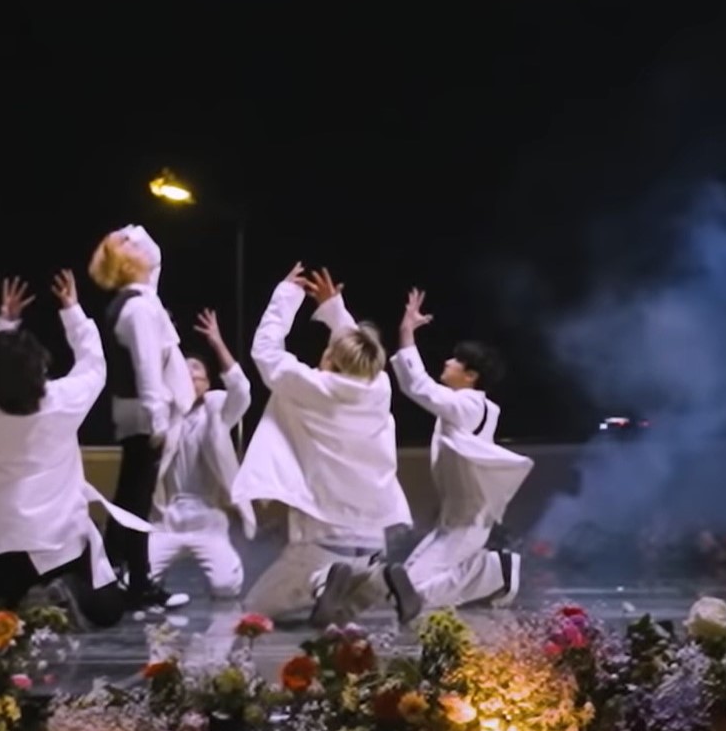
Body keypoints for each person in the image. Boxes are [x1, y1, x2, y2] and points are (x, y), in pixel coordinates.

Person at [0, 270, 153, 627]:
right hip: (57, 541)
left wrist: (5, 323)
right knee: (109, 610)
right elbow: (94, 366)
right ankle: (56, 591)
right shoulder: (61, 402)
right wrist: (72, 311)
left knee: (1, 604)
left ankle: (4, 595)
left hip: (2, 541)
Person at [227, 264, 413, 624]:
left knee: (256, 609)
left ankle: (322, 581)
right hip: (372, 539)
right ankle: (379, 581)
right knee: (342, 612)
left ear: (331, 359)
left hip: (324, 538)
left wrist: (286, 294)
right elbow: (360, 351)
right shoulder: (379, 389)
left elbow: (265, 351)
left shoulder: (313, 387)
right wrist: (334, 309)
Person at [380, 287, 531, 618]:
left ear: (470, 376)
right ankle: (492, 570)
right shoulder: (479, 407)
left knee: (412, 595)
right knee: (402, 591)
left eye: (455, 360)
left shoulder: (466, 405)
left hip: (465, 523)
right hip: (456, 520)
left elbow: (417, 386)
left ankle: (496, 571)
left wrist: (407, 333)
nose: (447, 362)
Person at [89, 225, 197, 617]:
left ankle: (126, 579)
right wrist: (157, 421)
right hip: (145, 415)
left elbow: (156, 259)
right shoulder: (138, 308)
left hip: (142, 413)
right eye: (129, 242)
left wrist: (132, 235)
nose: (139, 240)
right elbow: (147, 368)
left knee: (133, 501)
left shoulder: (143, 299)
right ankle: (133, 582)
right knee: (134, 503)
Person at [147, 309, 254, 600]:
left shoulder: (216, 413)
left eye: (197, 373)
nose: (190, 376)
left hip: (207, 520)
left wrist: (217, 342)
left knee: (226, 587)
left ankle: (224, 566)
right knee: (137, 580)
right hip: (168, 521)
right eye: (185, 371)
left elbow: (241, 390)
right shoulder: (166, 417)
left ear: (207, 384)